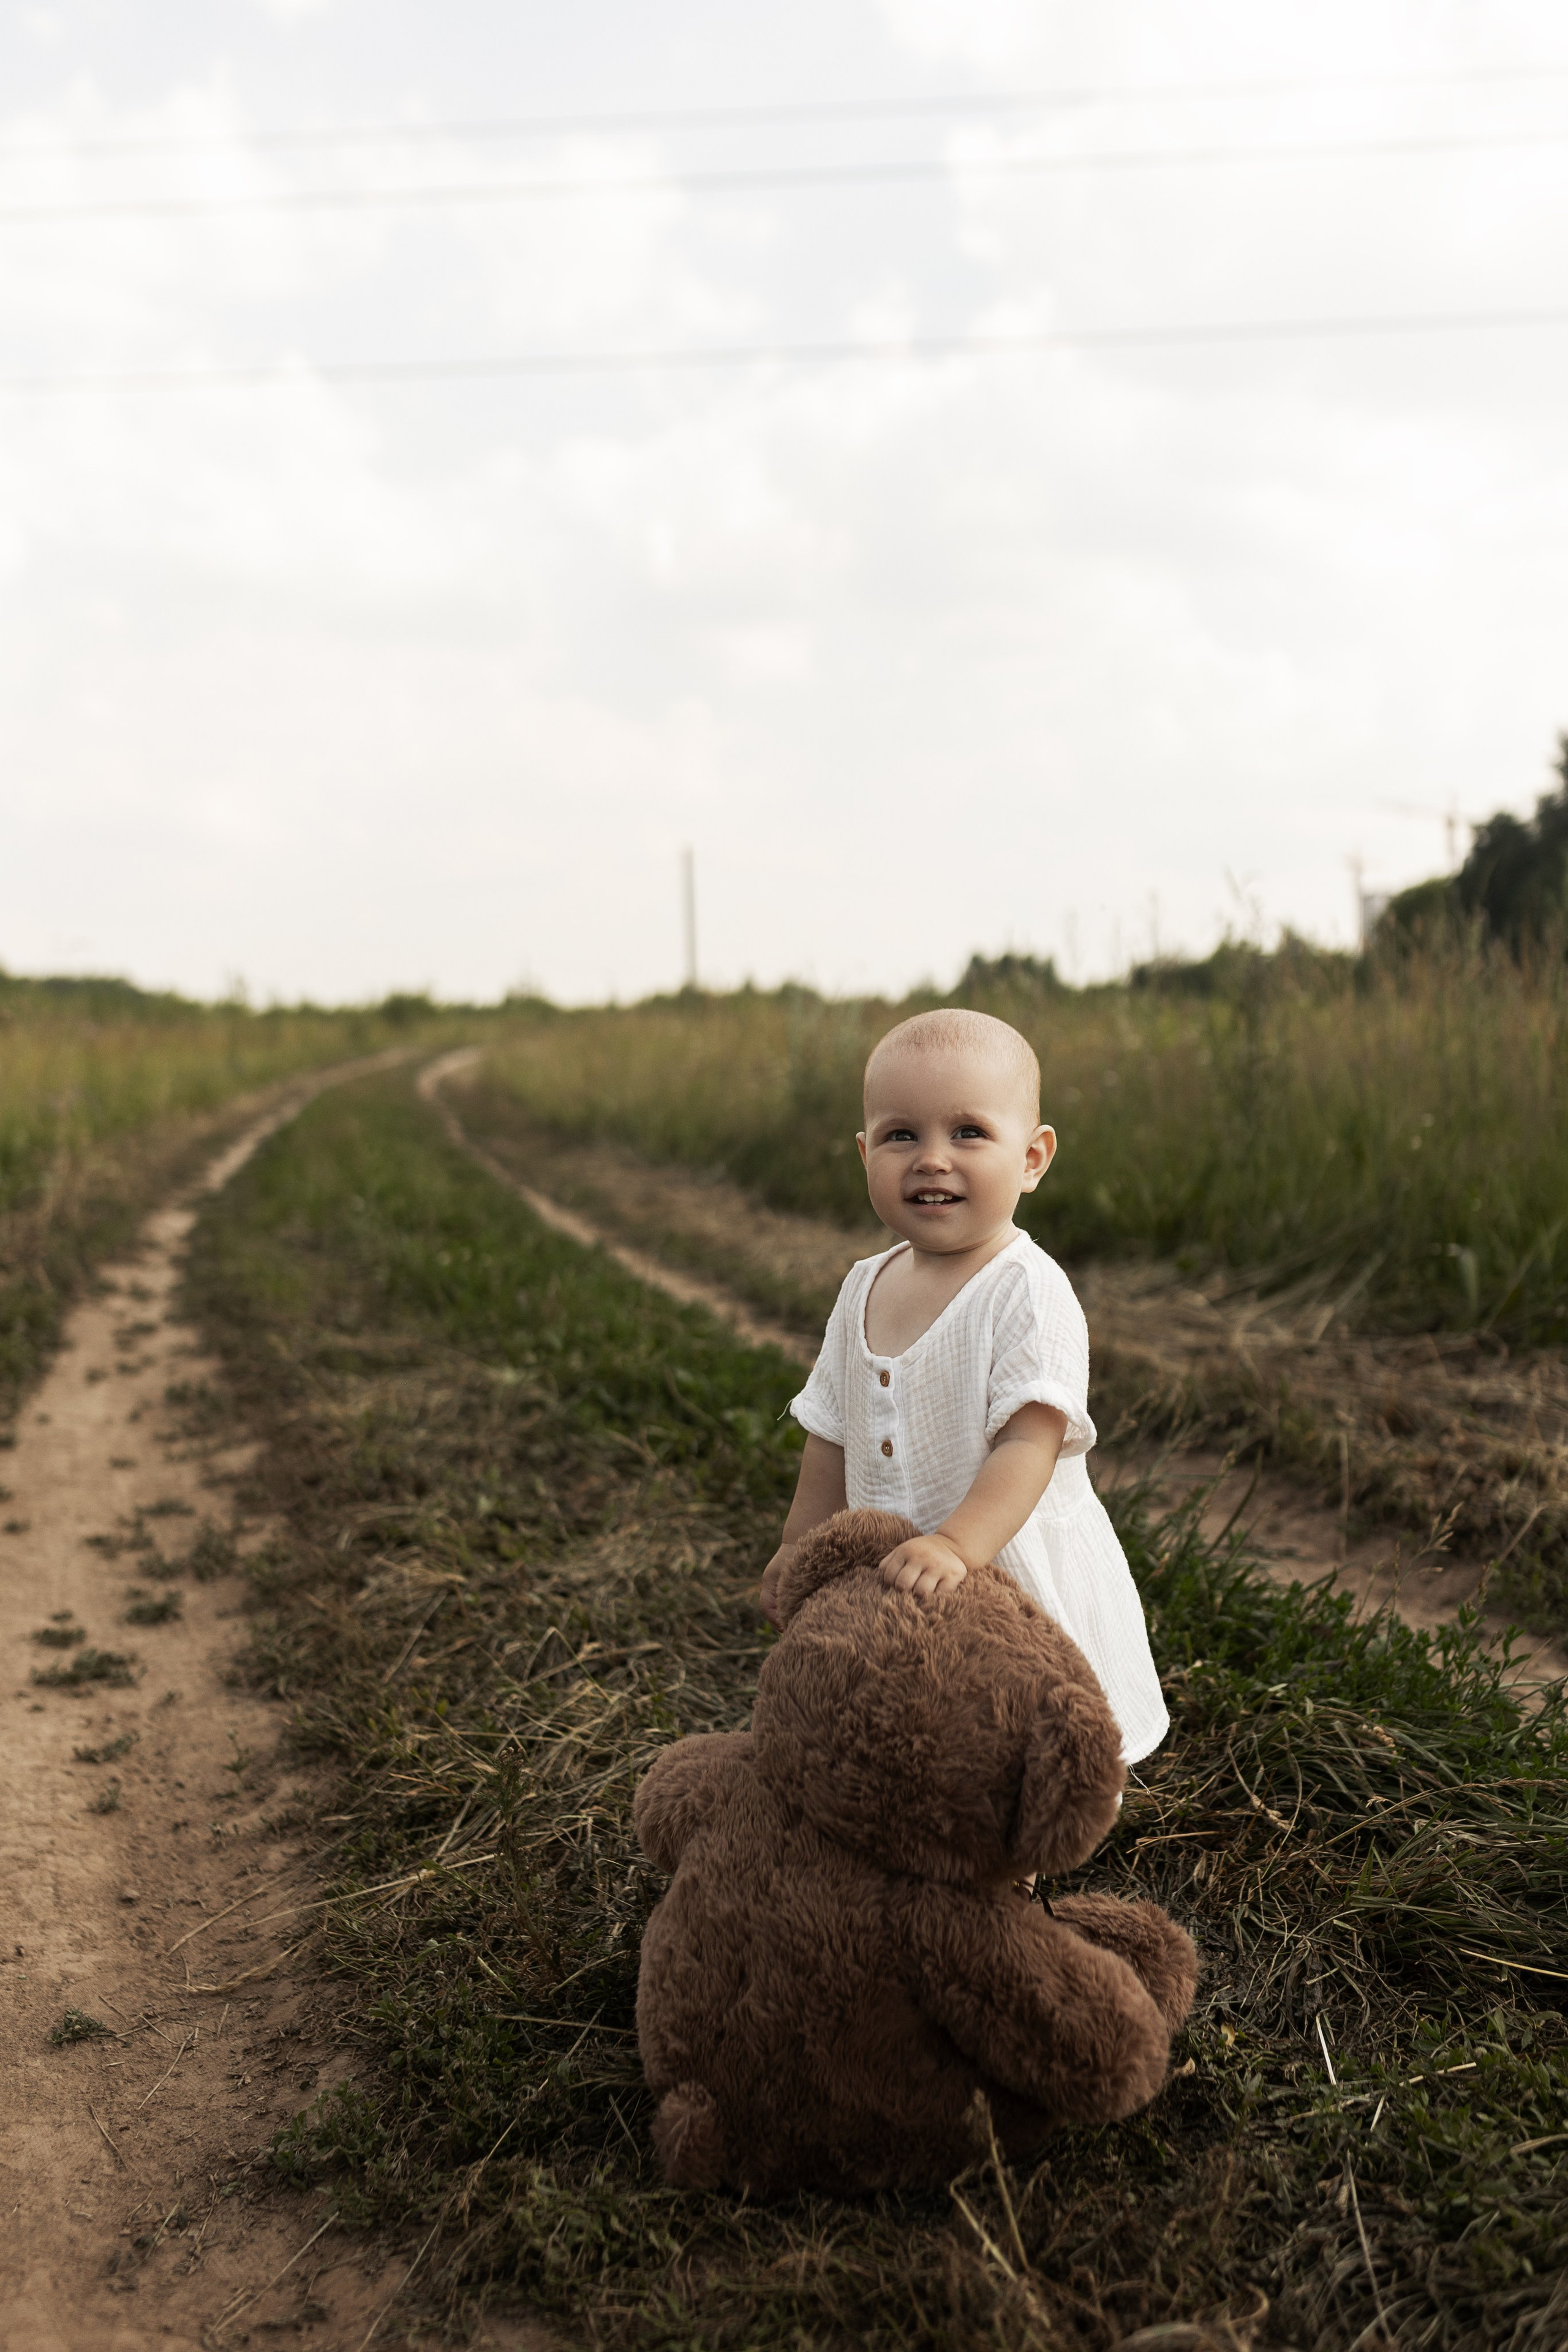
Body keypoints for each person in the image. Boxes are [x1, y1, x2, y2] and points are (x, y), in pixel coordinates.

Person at [759, 1006, 1169, 1766]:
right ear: (864, 1154)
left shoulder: (1024, 1290)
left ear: (1033, 1158)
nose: (932, 1159)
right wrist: (799, 1544)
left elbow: (1030, 1438)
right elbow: (832, 1430)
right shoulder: (862, 1286)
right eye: (900, 1135)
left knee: (1024, 1708)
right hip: (896, 1573)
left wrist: (958, 1543)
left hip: (1003, 1559)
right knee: (916, 1711)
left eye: (969, 1132)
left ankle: (1031, 1829)